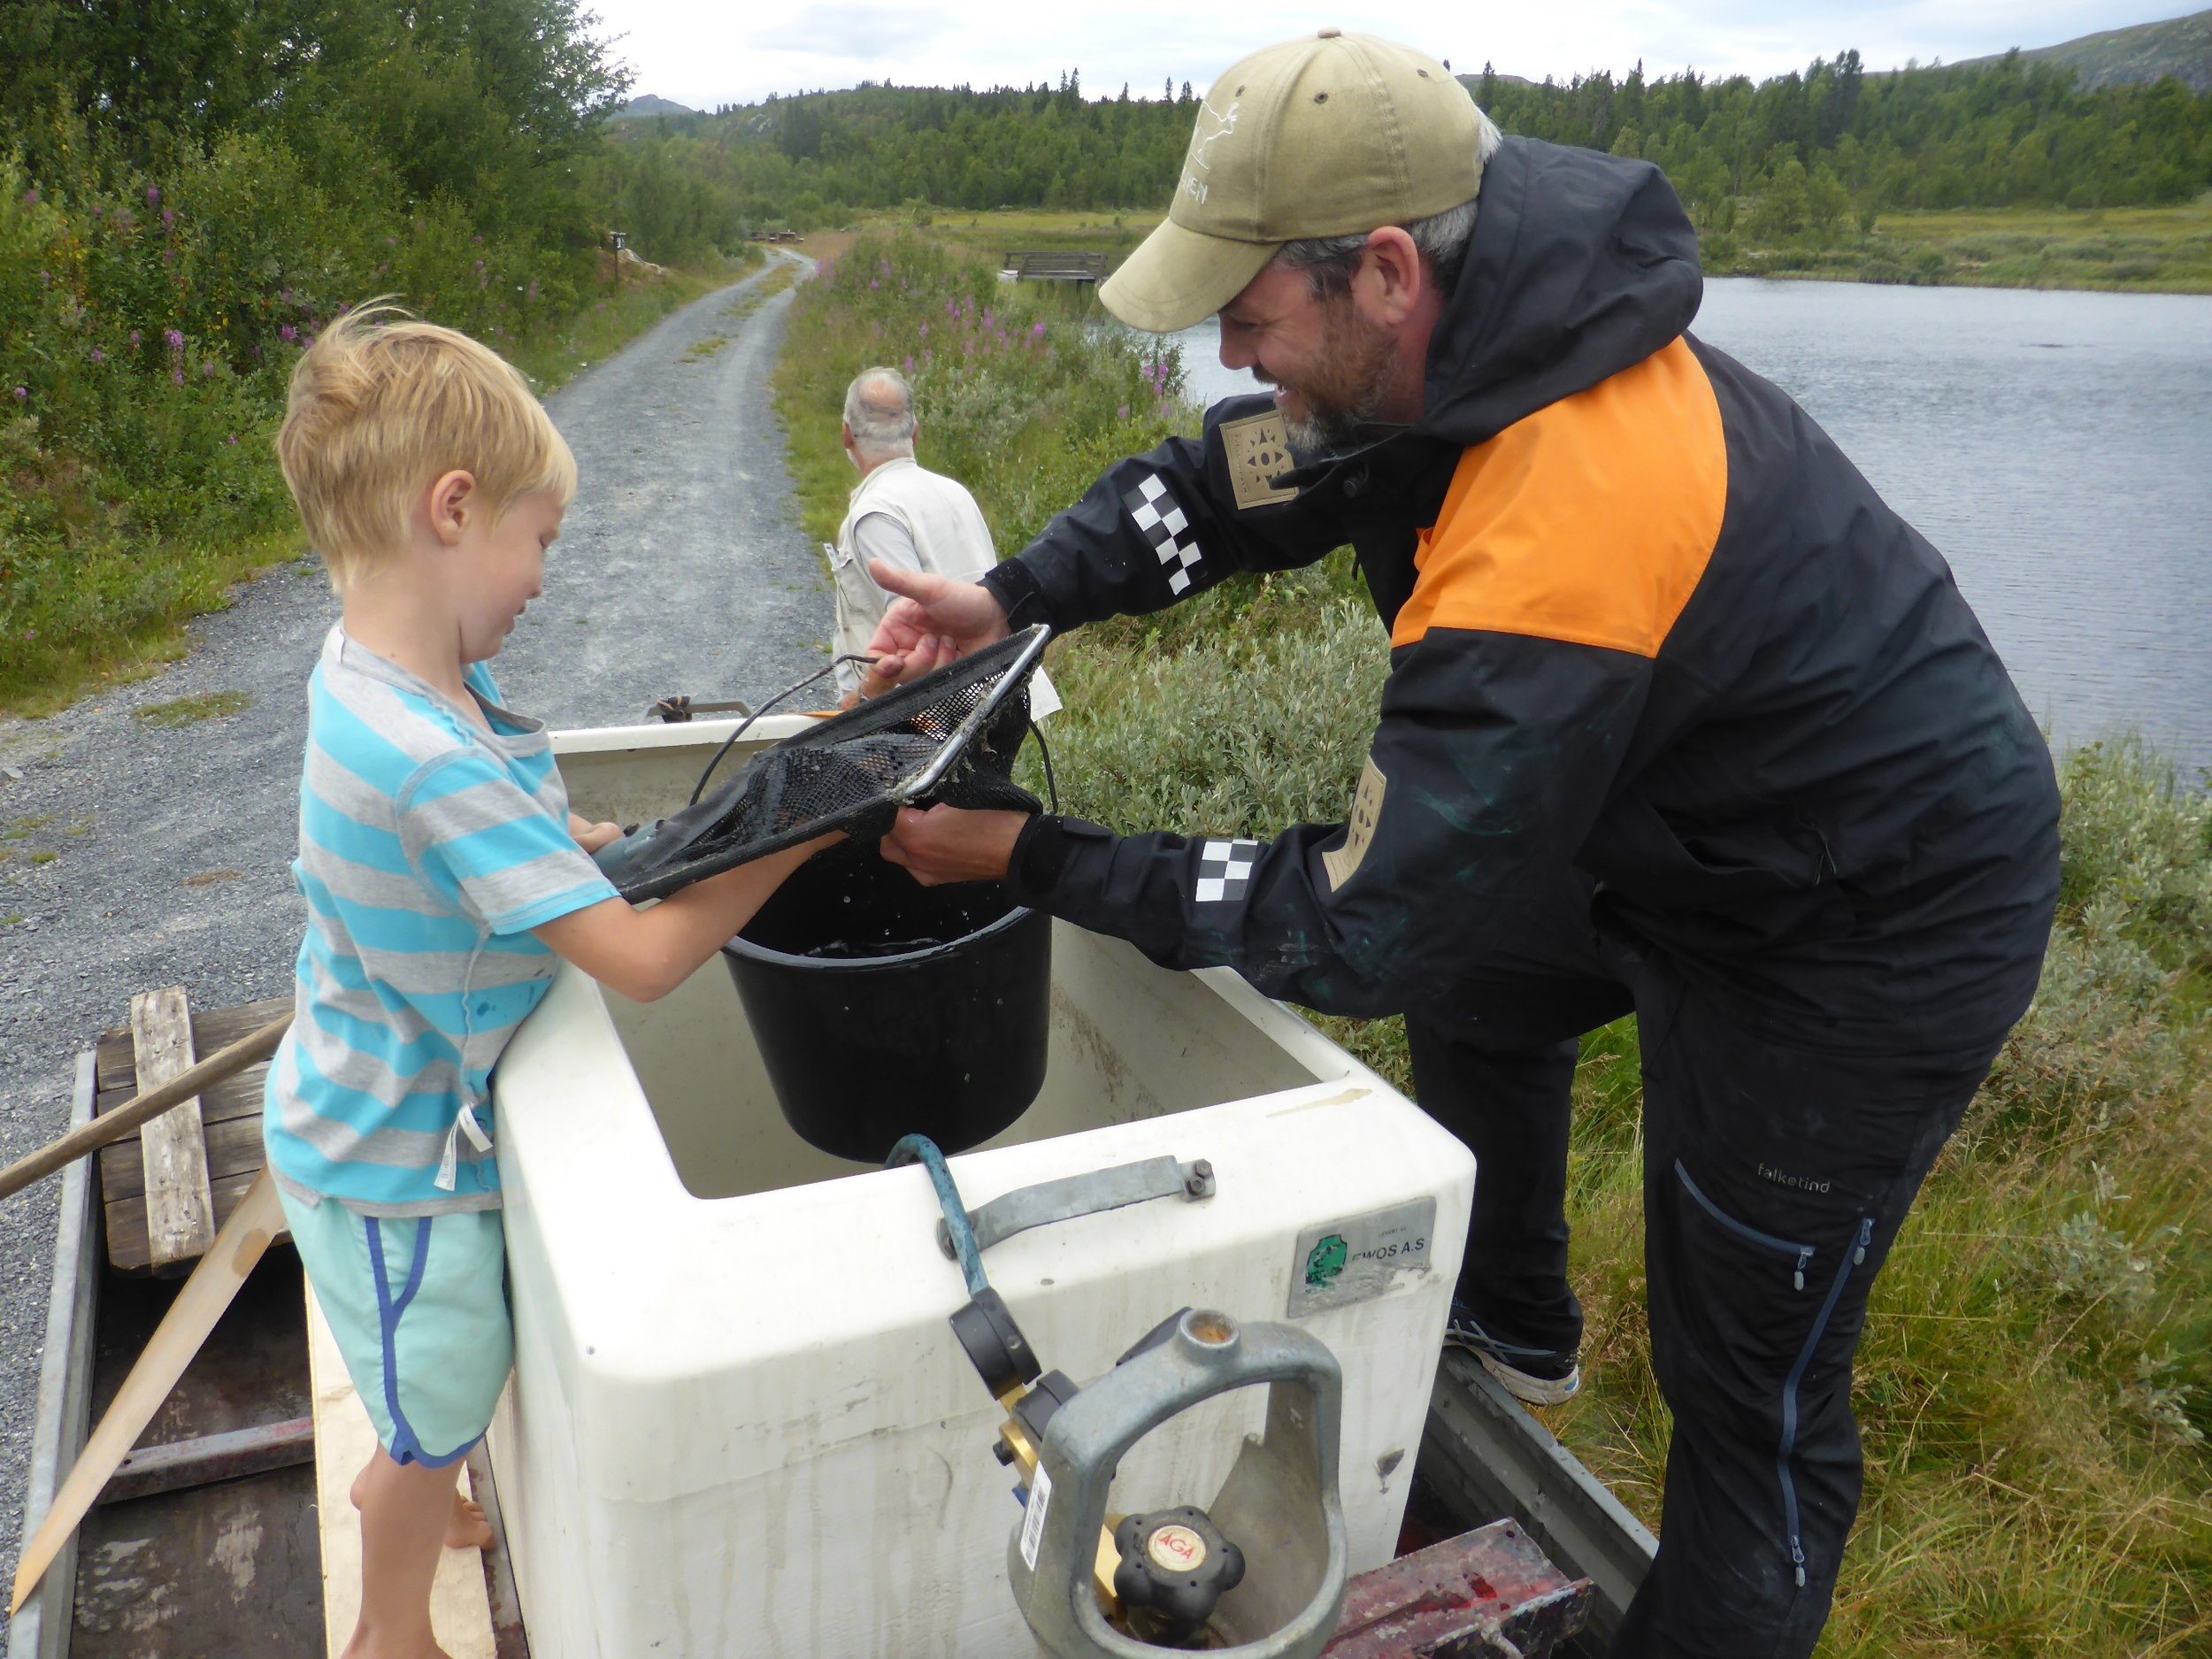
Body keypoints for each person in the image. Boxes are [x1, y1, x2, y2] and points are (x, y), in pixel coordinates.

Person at [864, 30, 2061, 1658]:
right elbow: (1220, 487)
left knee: (1752, 1397)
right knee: (1494, 986)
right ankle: (1509, 1328)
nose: (1231, 346)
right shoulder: (1435, 355)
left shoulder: (1566, 498)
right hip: (1675, 820)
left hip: (1865, 918)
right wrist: (1012, 594)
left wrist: (1033, 859)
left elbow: (1360, 926)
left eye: (1250, 311)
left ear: (1381, 273)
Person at [265, 305, 830, 1659]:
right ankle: (388, 1616)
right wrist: (807, 825)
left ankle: (419, 1468)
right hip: (390, 1152)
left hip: (372, 1075)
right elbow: (639, 962)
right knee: (442, 1379)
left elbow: (489, 838)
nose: (543, 575)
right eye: (542, 538)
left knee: (443, 1373)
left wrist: (581, 847)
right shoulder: (427, 750)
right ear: (452, 508)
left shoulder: (398, 676)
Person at [831, 365, 1059, 714]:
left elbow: (910, 640)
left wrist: (856, 705)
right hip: (1011, 690)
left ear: (847, 434)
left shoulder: (875, 513)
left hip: (952, 712)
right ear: (916, 434)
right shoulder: (955, 491)